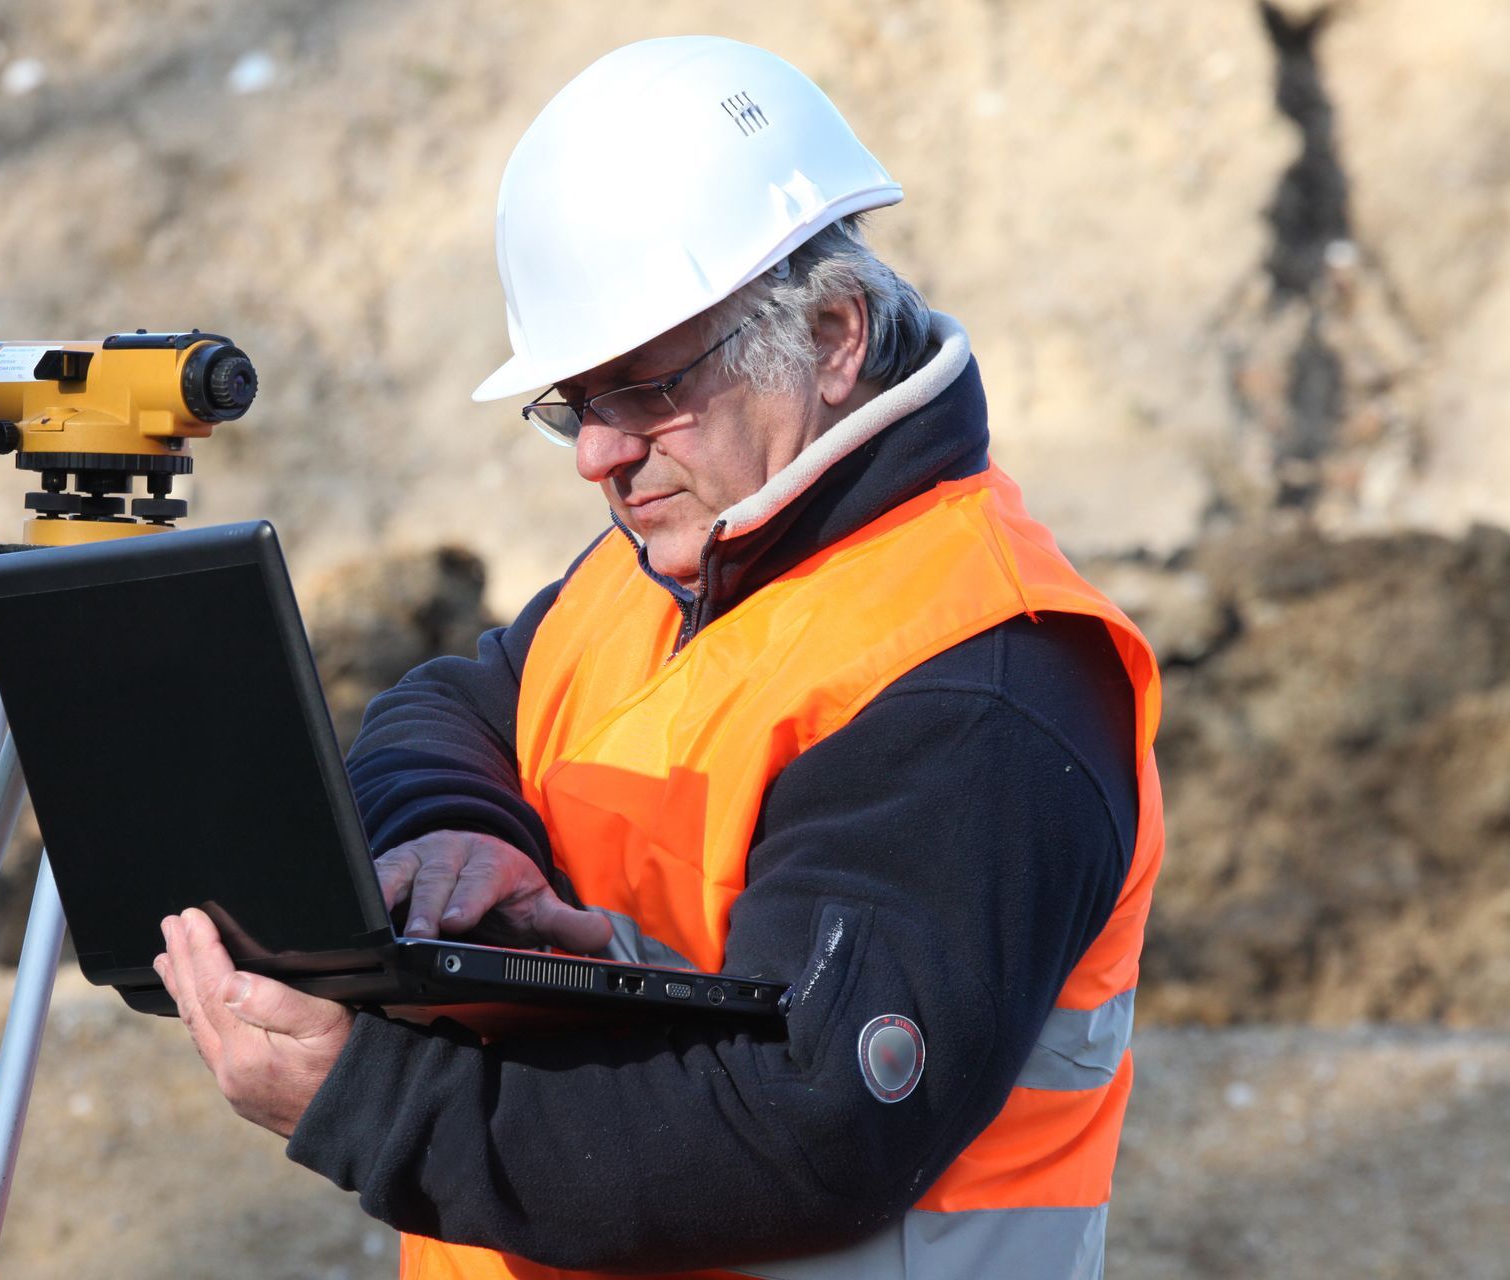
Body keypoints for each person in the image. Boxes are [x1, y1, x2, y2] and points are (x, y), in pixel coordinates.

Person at [153, 35, 1163, 1280]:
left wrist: (377, 1097)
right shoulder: (673, 561)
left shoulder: (983, 676)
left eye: (644, 386)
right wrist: (458, 829)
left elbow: (811, 1123)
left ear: (833, 335)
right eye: (576, 403)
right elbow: (456, 705)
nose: (598, 454)